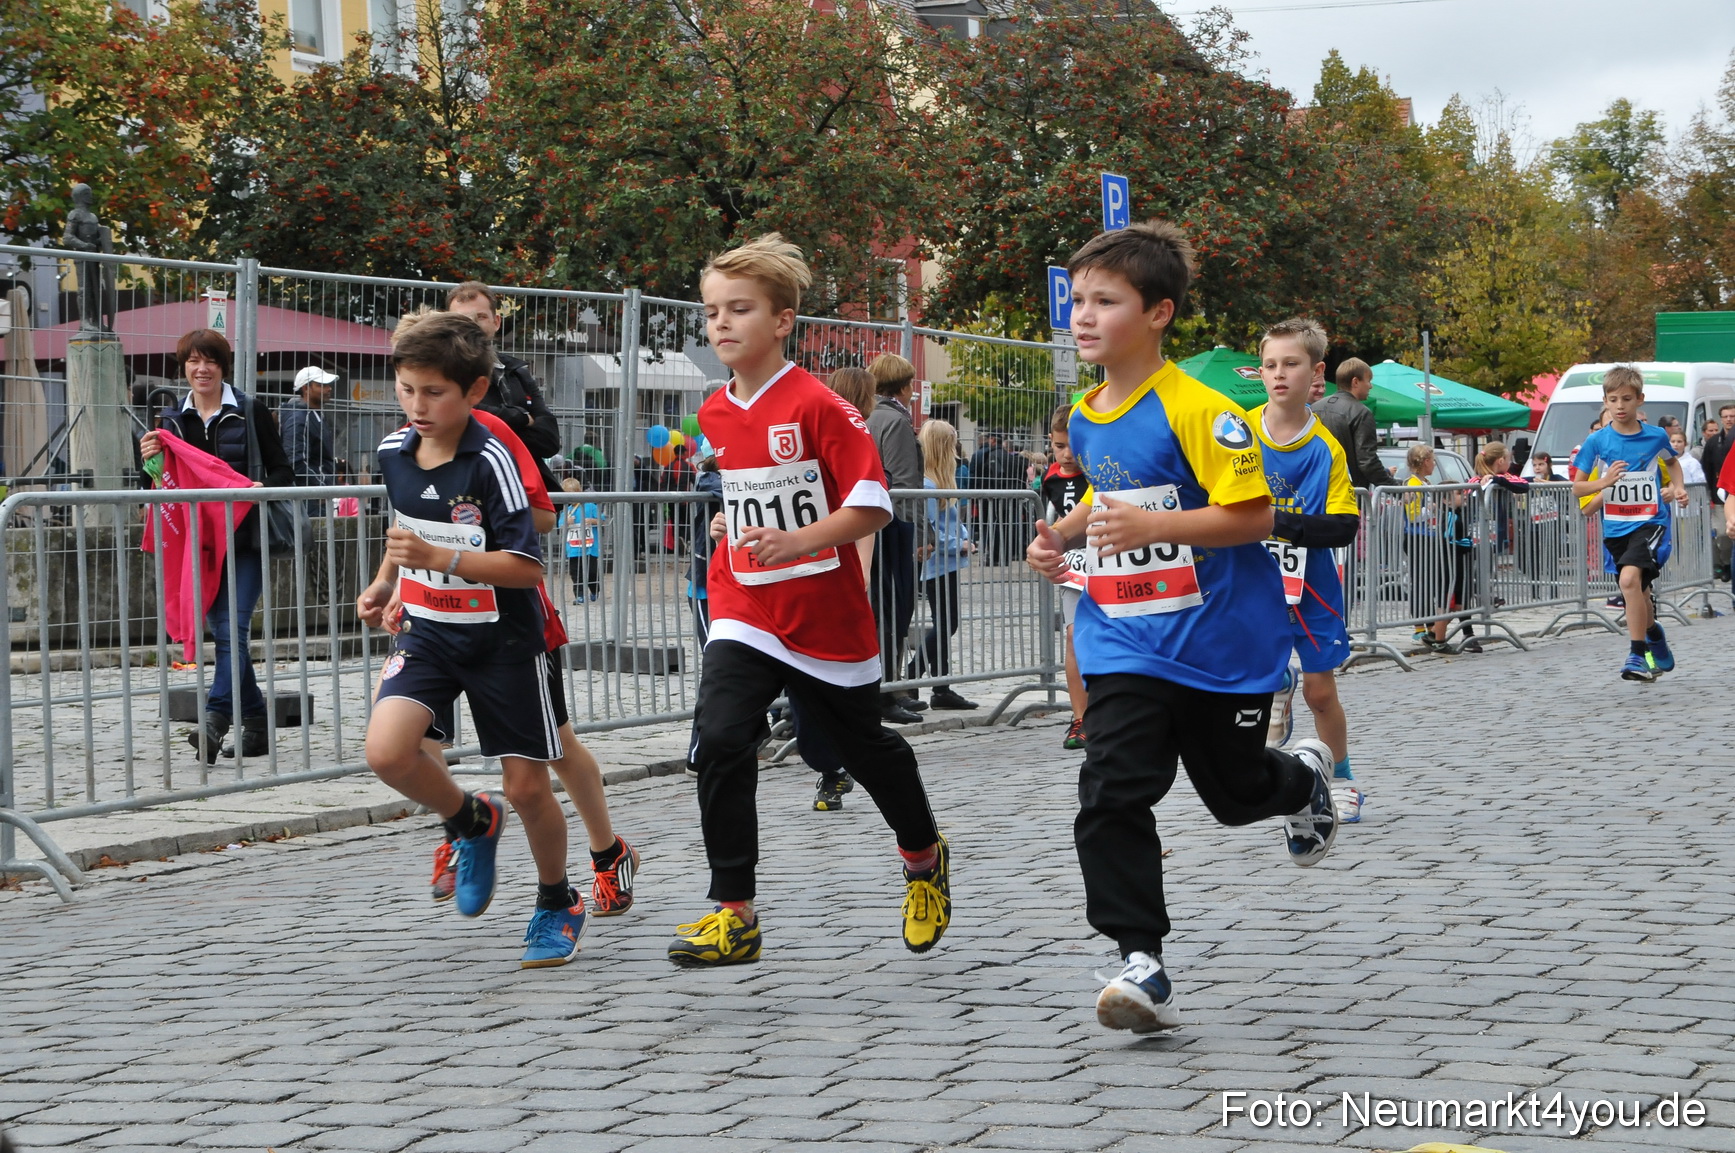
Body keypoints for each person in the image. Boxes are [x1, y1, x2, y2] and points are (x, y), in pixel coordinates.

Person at [1025, 221, 1338, 1034]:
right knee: (1109, 786)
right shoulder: (1084, 414)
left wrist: (1150, 527)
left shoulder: (1203, 411)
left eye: (1104, 301)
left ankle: (1301, 780)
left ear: (1157, 312)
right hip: (1125, 635)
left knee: (1235, 796)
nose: (1082, 316)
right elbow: (1106, 491)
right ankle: (1140, 960)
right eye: (1077, 300)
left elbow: (1253, 514)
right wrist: (1061, 534)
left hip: (1221, 642)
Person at [675, 233, 950, 967]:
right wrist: (730, 519)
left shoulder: (821, 405)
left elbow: (871, 506)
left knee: (862, 749)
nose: (721, 323)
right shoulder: (714, 411)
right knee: (721, 739)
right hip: (743, 603)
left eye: (739, 309)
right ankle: (734, 912)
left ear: (783, 320)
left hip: (822, 614)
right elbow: (755, 490)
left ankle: (924, 859)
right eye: (711, 311)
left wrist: (797, 541)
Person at [359, 311, 639, 967]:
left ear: (476, 391)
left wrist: (443, 557)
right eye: (407, 389)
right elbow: (405, 529)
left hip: (504, 642)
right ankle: (470, 820)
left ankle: (556, 899)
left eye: (434, 392)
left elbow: (527, 566)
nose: (417, 406)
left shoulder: (491, 458)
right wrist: (384, 582)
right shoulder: (393, 451)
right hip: (428, 632)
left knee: (528, 787)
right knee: (387, 752)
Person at [139, 329, 293, 763]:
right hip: (199, 546)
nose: (202, 369)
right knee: (228, 637)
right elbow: (155, 485)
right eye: (193, 361)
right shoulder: (170, 420)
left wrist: (261, 488)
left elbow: (284, 471)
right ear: (184, 368)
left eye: (210, 361)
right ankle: (257, 723)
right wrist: (147, 459)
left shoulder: (250, 410)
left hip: (246, 539)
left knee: (231, 630)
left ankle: (215, 717)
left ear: (223, 367)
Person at [1250, 318, 1366, 823]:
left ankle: (1341, 778)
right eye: (1270, 365)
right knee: (1253, 675)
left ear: (1316, 373)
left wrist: (1278, 522)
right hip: (1252, 578)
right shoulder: (1238, 432)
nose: (1279, 374)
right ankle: (1278, 689)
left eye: (1291, 364)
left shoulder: (1326, 448)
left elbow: (1343, 525)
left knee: (1321, 692)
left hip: (1311, 583)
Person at [1570, 365, 1689, 682]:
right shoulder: (1597, 442)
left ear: (1640, 399)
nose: (1620, 406)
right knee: (1639, 589)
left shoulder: (1655, 436)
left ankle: (1637, 654)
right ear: (1605, 402)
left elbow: (1672, 462)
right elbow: (1578, 488)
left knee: (1628, 581)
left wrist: (1678, 487)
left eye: (1626, 398)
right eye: (1613, 400)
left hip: (1650, 522)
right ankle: (1654, 633)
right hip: (1616, 527)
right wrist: (1604, 482)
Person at [865, 353, 924, 724]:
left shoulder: (867, 416)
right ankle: (887, 691)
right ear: (903, 385)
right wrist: (922, 532)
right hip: (895, 525)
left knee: (880, 609)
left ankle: (890, 687)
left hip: (872, 523)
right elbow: (905, 485)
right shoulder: (895, 420)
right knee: (894, 609)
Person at [445, 282, 563, 460]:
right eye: (462, 319)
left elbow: (550, 441)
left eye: (481, 317)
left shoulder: (517, 372)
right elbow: (461, 429)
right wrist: (521, 418)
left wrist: (495, 428)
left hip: (527, 475)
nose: (472, 324)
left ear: (496, 322)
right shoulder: (442, 373)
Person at [907, 419, 978, 712]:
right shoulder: (928, 484)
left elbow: (952, 521)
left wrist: (964, 539)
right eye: (952, 443)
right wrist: (958, 544)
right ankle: (912, 677)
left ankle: (941, 688)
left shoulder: (940, 482)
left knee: (944, 623)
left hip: (945, 563)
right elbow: (930, 529)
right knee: (947, 624)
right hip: (935, 563)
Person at [1039, 404, 1091, 749]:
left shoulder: (1101, 470)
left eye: (1074, 445)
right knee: (1073, 636)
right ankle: (1080, 719)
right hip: (1075, 566)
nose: (1067, 454)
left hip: (1114, 560)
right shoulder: (1050, 478)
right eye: (1059, 446)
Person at [1315, 358, 1398, 490]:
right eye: (1368, 381)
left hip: (1315, 489)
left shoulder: (1314, 408)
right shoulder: (1361, 413)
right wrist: (1395, 488)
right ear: (1355, 382)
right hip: (1348, 491)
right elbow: (1367, 462)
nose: (1370, 386)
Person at [279, 365, 339, 498]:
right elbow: (296, 461)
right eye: (321, 385)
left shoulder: (313, 414)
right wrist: (320, 489)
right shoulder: (299, 417)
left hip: (317, 493)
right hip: (310, 496)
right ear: (306, 388)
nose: (329, 388)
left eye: (328, 385)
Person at [1704, 404, 1735, 580]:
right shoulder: (1714, 442)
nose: (1729, 419)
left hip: (1727, 492)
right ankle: (1724, 566)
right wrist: (1710, 492)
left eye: (1732, 416)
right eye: (1726, 416)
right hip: (1719, 495)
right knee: (1723, 533)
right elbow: (1707, 468)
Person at [560, 477, 603, 601]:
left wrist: (592, 520)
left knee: (592, 572)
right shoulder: (566, 511)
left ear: (579, 492)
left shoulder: (590, 506)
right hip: (573, 549)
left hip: (590, 547)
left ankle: (594, 590)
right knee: (575, 573)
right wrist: (566, 522)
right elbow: (560, 526)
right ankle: (579, 595)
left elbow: (602, 520)